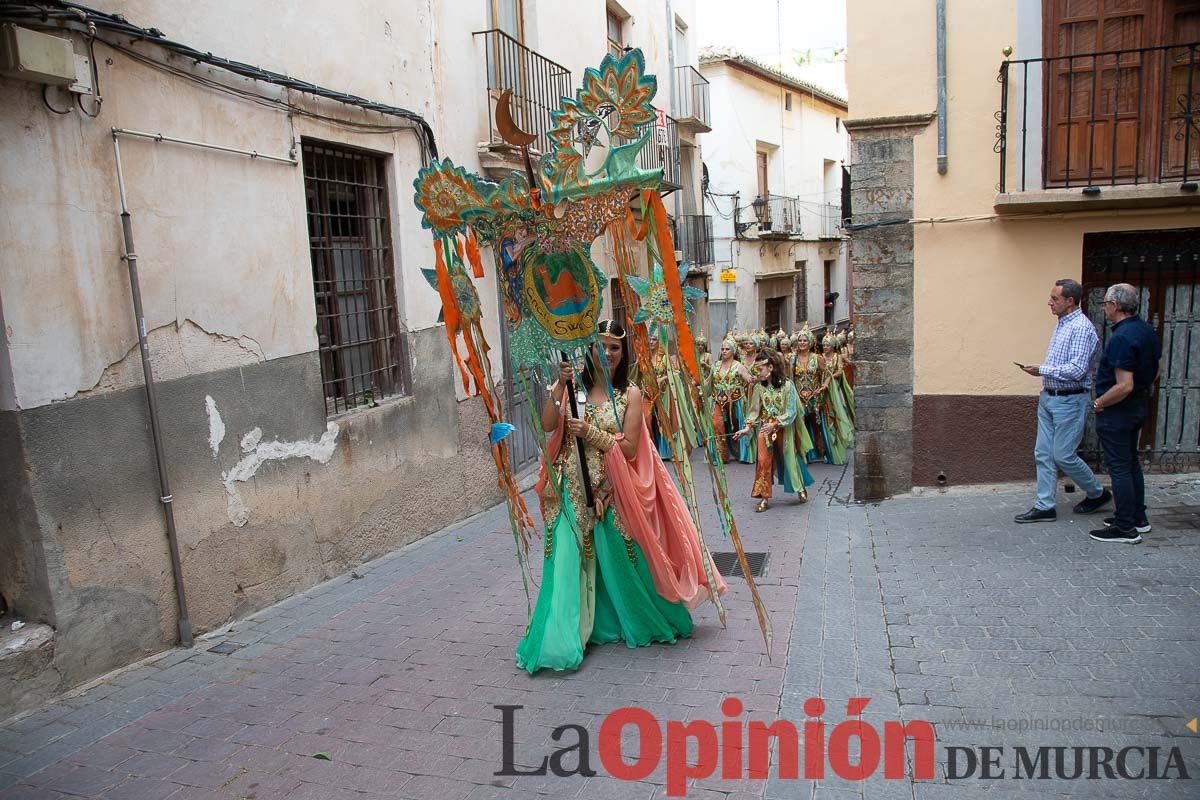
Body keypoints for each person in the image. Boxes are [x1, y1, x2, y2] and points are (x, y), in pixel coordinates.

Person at [519, 320, 727, 673]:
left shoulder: (629, 394)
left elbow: (629, 448)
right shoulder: (573, 386)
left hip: (610, 489)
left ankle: (622, 617)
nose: (608, 353)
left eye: (614, 347)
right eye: (601, 346)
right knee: (567, 558)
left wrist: (591, 432)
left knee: (617, 559)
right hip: (570, 487)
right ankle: (561, 636)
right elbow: (549, 423)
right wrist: (561, 384)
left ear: (623, 351)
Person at [1013, 279, 1111, 524]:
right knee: (1042, 453)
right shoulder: (1063, 324)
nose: (1049, 302)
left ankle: (1097, 492)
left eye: (1055, 298)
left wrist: (1043, 370)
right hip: (1050, 397)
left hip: (1069, 400)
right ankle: (1045, 505)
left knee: (1063, 455)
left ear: (1070, 301)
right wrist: (1044, 373)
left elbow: (1078, 370)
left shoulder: (1080, 327)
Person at [1089, 284, 1161, 544]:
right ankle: (1138, 518)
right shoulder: (1146, 331)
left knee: (1119, 468)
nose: (1104, 308)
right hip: (1138, 406)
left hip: (1118, 410)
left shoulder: (1122, 337)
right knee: (1131, 463)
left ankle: (1124, 528)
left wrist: (1100, 403)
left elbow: (1124, 385)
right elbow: (1157, 369)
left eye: (1106, 303)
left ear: (1116, 305)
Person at [734, 348, 814, 511]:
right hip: (765, 429)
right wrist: (747, 428)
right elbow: (754, 411)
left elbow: (791, 412)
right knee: (763, 461)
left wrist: (775, 423)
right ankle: (764, 498)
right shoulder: (758, 388)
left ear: (771, 368)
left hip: (783, 429)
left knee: (788, 459)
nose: (758, 373)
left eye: (760, 369)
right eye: (756, 370)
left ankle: (799, 487)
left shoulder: (787, 386)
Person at [711, 336, 754, 463]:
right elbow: (708, 381)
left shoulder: (739, 366)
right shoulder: (716, 365)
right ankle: (722, 456)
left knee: (736, 427)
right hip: (718, 401)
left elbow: (749, 380)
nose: (724, 351)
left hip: (736, 402)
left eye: (727, 349)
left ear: (733, 351)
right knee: (717, 425)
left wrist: (756, 379)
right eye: (722, 349)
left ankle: (739, 453)